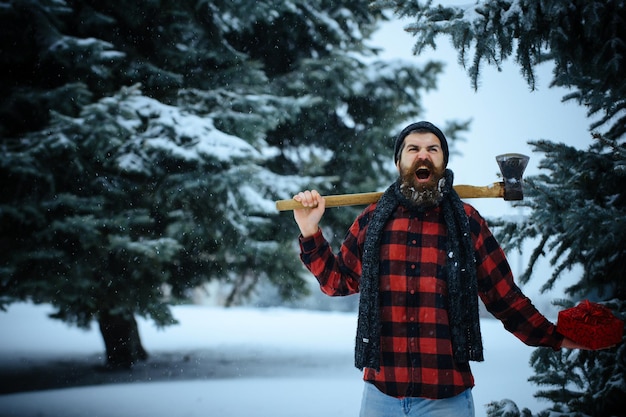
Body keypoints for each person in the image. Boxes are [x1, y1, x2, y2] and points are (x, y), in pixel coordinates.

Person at [291, 121, 588, 417]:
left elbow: (505, 298)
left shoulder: (467, 223)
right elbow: (336, 283)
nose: (423, 155)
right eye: (413, 149)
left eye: (432, 149)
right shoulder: (372, 221)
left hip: (446, 398)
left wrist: (555, 336)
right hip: (381, 395)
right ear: (399, 162)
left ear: (443, 162)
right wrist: (309, 231)